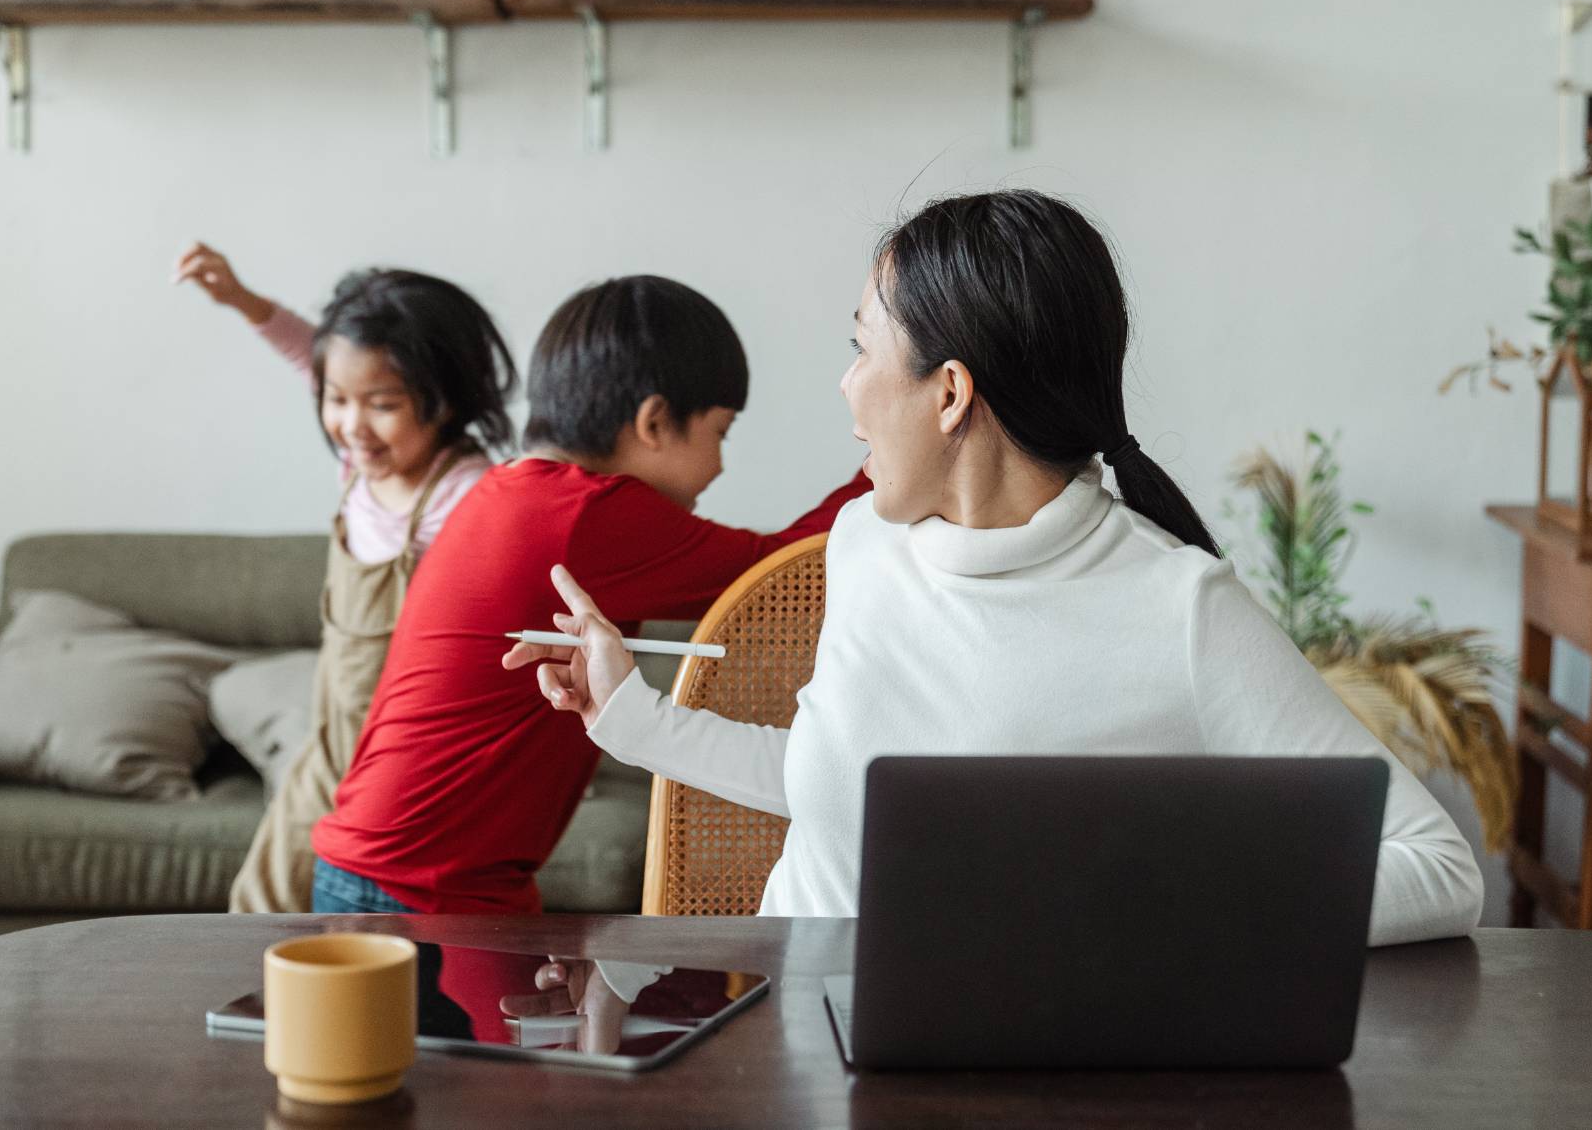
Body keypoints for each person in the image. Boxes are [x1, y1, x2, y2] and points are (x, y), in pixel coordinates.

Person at [505, 190, 1485, 947]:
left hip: (1018, 1066)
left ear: (948, 394)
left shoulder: (1179, 607)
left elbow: (1436, 867)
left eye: (860, 349)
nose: (846, 386)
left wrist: (1148, 903)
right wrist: (629, 716)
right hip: (792, 1047)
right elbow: (841, 789)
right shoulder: (863, 544)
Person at [308, 275, 872, 915]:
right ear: (654, 422)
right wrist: (888, 456)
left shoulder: (517, 492)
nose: (719, 465)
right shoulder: (581, 514)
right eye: (720, 432)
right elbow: (781, 575)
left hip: (399, 869)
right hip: (414, 887)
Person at [173, 243, 516, 913]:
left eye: (383, 404)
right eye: (336, 400)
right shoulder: (362, 465)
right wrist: (243, 301)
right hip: (330, 736)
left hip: (400, 759)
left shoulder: (467, 496)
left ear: (446, 398)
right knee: (261, 900)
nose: (352, 425)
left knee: (343, 915)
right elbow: (314, 357)